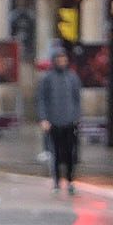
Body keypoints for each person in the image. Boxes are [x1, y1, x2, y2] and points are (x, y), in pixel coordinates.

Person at [38, 47, 84, 195]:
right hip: (54, 120)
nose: (61, 61)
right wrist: (44, 118)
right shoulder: (47, 78)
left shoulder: (72, 77)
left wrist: (77, 116)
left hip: (70, 121)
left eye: (64, 59)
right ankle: (57, 181)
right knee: (56, 152)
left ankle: (70, 180)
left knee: (70, 153)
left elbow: (77, 99)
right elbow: (42, 100)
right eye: (59, 59)